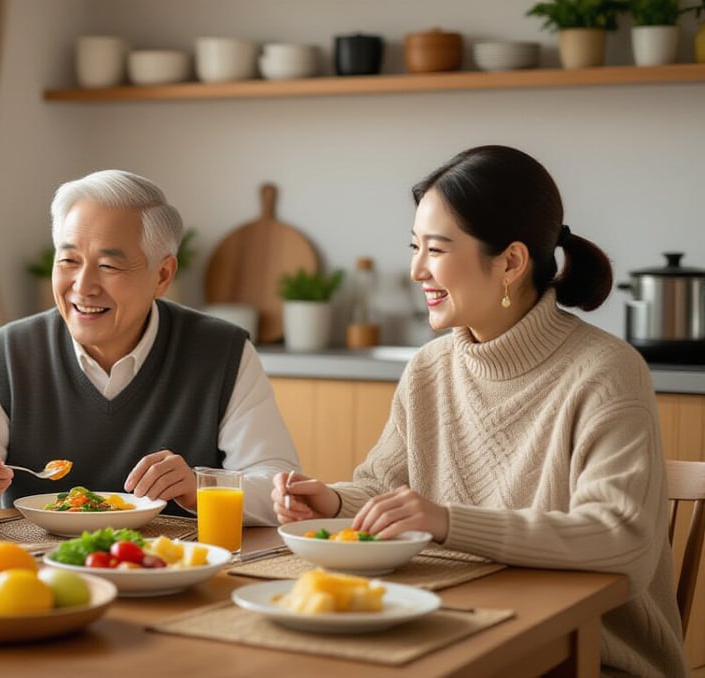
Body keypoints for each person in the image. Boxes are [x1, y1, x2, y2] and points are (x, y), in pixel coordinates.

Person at [271, 145, 687, 677]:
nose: (417, 269)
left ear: (511, 261)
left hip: (586, 656)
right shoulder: (429, 368)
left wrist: (447, 521)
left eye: (437, 250)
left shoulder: (606, 371)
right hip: (460, 631)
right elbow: (385, 491)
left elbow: (620, 538)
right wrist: (330, 502)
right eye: (414, 246)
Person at [0, 169, 299, 524]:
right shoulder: (12, 352)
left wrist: (201, 487)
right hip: (36, 577)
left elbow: (279, 486)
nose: (83, 285)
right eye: (68, 260)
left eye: (108, 266)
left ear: (162, 274)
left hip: (174, 569)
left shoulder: (221, 351)